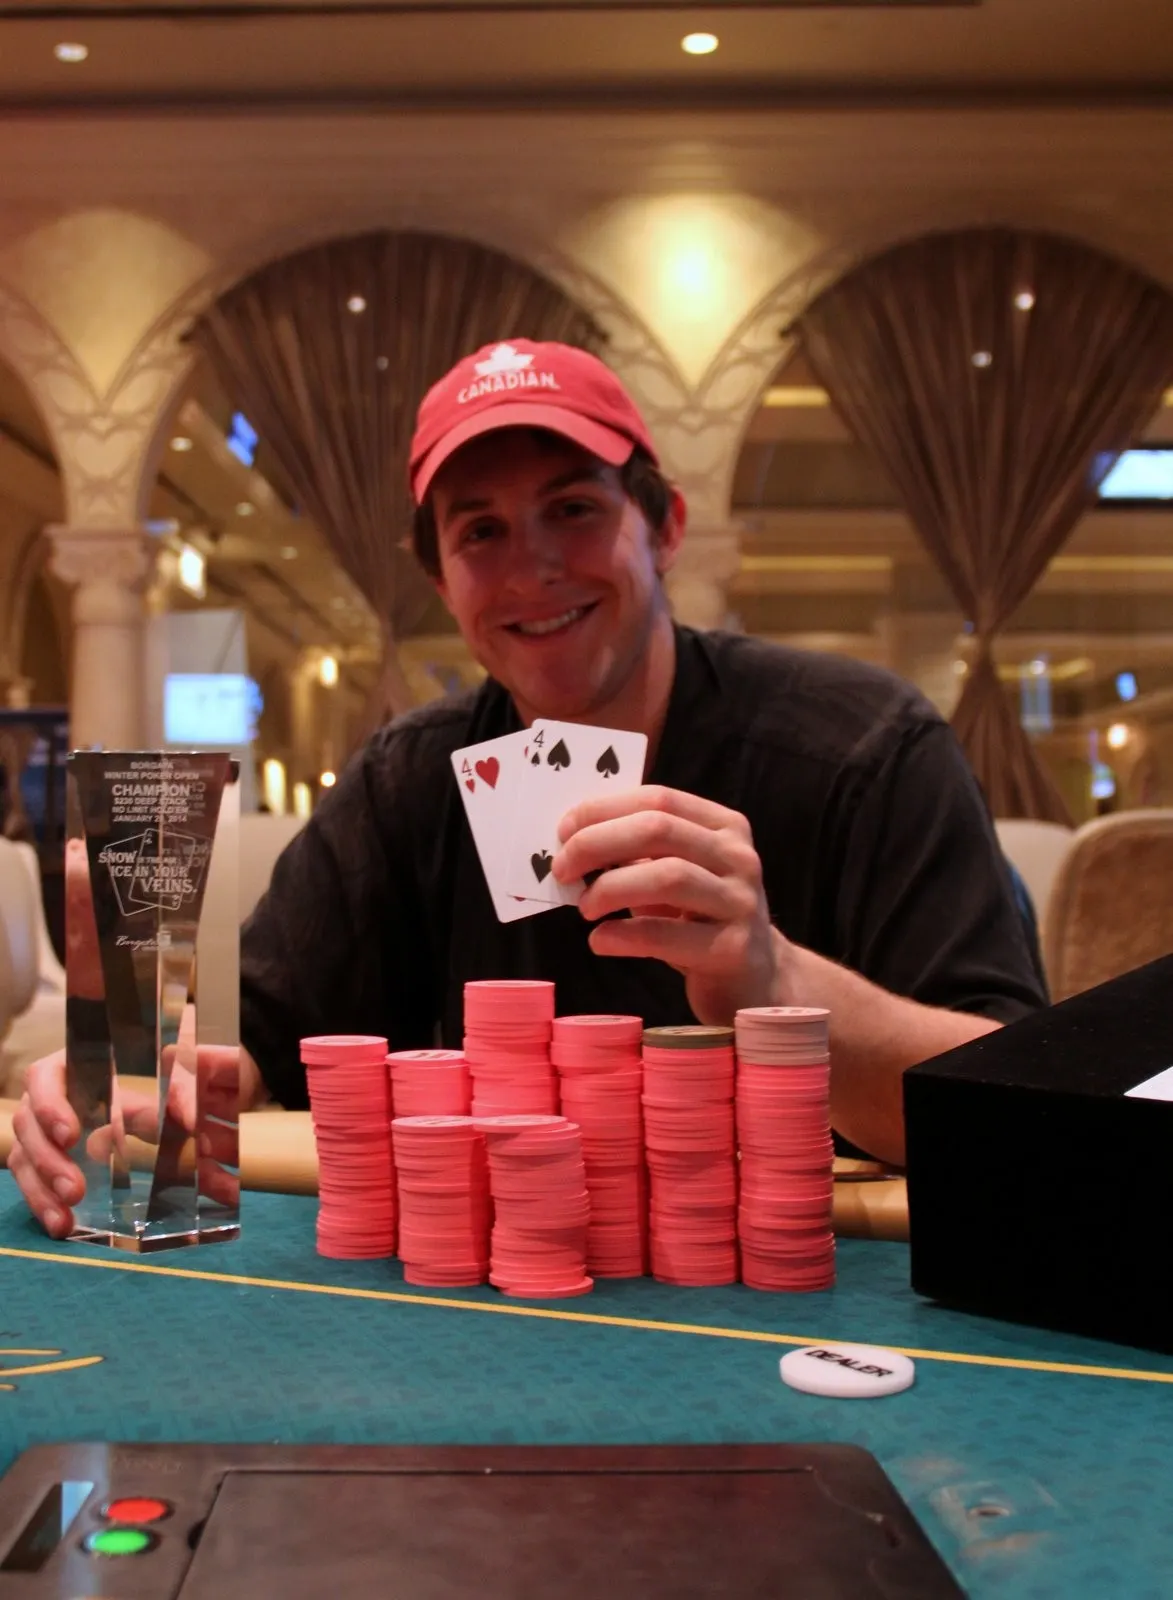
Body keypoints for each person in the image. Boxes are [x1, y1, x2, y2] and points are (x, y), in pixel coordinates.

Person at [7, 338, 1045, 1235]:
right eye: (480, 531)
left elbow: (1021, 1106)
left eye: (573, 509)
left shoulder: (866, 748)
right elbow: (252, 1036)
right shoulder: (407, 781)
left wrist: (775, 980)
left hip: (810, 1293)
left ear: (666, 528)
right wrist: (137, 1076)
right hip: (487, 1298)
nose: (530, 569)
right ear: (440, 580)